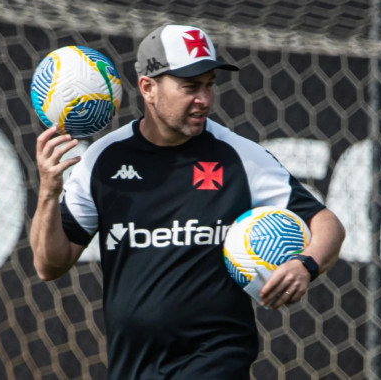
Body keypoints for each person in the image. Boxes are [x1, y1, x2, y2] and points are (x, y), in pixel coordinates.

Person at [30, 24, 346, 380]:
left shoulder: (238, 156)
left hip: (216, 361)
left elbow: (326, 223)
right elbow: (49, 265)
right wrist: (48, 192)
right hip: (133, 366)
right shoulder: (103, 160)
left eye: (209, 84)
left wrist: (306, 265)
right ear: (148, 88)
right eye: (190, 87)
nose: (205, 99)